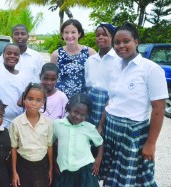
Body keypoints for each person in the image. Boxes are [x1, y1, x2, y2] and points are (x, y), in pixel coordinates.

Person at [99, 23, 168, 186]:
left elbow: (158, 109)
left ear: (136, 42)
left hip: (133, 134)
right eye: (117, 42)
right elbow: (111, 100)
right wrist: (102, 125)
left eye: (126, 41)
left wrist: (150, 144)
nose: (121, 46)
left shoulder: (151, 69)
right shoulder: (114, 67)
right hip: (111, 130)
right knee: (112, 177)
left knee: (137, 179)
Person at [53, 93, 103, 187]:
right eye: (76, 112)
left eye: (83, 115)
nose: (79, 117)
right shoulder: (57, 125)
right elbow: (50, 144)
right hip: (64, 171)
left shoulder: (88, 128)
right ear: (69, 108)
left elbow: (100, 143)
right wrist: (54, 161)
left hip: (85, 172)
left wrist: (98, 161)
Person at [9, 83, 53, 187]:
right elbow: (13, 149)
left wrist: (50, 170)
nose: (33, 103)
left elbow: (49, 147)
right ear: (24, 99)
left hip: (42, 166)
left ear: (43, 102)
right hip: (23, 165)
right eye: (30, 98)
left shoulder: (48, 123)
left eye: (38, 100)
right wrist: (14, 172)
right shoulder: (16, 123)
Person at [0, 44, 28, 128]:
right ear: (3, 55)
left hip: (16, 123)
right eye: (9, 53)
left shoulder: (23, 76)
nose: (12, 56)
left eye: (16, 54)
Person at [51, 19, 97, 100]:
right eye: (66, 32)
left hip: (82, 101)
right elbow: (51, 78)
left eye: (73, 32)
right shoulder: (56, 54)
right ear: (62, 34)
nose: (69, 36)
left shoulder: (90, 53)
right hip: (61, 100)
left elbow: (96, 79)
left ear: (79, 33)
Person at [85, 23, 120, 128]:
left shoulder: (118, 60)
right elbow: (88, 84)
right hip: (91, 101)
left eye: (104, 34)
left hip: (110, 102)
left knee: (105, 132)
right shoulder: (91, 60)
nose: (100, 37)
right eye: (97, 35)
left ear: (112, 37)